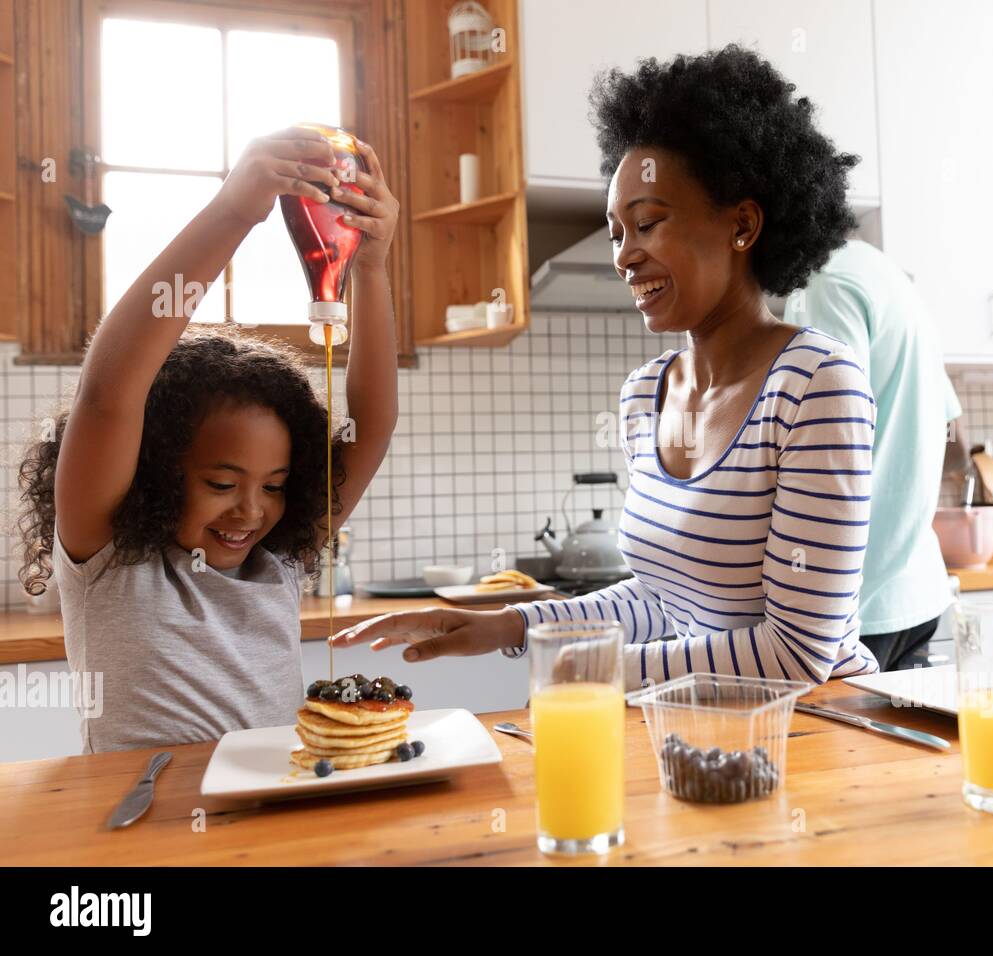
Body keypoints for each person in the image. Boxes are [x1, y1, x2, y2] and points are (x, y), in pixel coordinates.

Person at [334, 46, 880, 688]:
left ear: (744, 224)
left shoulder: (816, 386)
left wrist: (597, 668)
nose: (624, 257)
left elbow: (798, 652)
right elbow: (658, 601)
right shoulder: (646, 394)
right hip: (702, 729)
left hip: (824, 737)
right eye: (616, 232)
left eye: (647, 223)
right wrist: (509, 626)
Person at [16, 127, 400, 751]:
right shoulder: (110, 561)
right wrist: (232, 212)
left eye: (274, 486)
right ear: (156, 469)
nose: (251, 509)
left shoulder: (275, 561)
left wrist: (373, 266)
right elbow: (109, 394)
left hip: (271, 828)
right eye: (221, 483)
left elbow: (373, 423)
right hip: (144, 833)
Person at [792, 238, 963, 669]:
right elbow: (950, 420)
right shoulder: (886, 275)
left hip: (859, 602)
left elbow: (831, 444)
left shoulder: (826, 284)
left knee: (828, 739)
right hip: (918, 587)